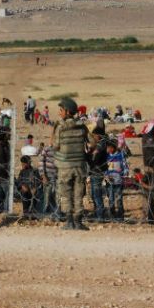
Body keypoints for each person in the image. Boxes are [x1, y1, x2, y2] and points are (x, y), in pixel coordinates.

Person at [52, 97, 97, 230]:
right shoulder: (82, 126)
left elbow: (55, 146)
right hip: (80, 166)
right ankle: (78, 222)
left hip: (65, 166)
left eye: (61, 110)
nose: (59, 113)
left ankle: (69, 221)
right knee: (79, 194)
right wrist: (86, 153)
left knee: (66, 194)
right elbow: (93, 143)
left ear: (67, 111)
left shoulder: (60, 127)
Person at [87, 124, 108, 222]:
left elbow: (95, 158)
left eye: (94, 135)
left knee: (97, 194)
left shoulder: (101, 145)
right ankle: (97, 214)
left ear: (98, 135)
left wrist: (88, 155)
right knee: (94, 194)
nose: (93, 137)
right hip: (95, 171)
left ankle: (100, 216)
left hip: (97, 171)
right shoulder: (100, 144)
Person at [104, 139, 128, 222]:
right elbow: (104, 168)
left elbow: (125, 167)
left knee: (119, 199)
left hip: (118, 181)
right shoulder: (106, 156)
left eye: (109, 148)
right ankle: (112, 216)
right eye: (107, 148)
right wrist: (106, 176)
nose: (108, 149)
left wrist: (124, 176)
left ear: (113, 147)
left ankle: (120, 217)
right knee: (111, 199)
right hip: (109, 181)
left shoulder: (120, 155)